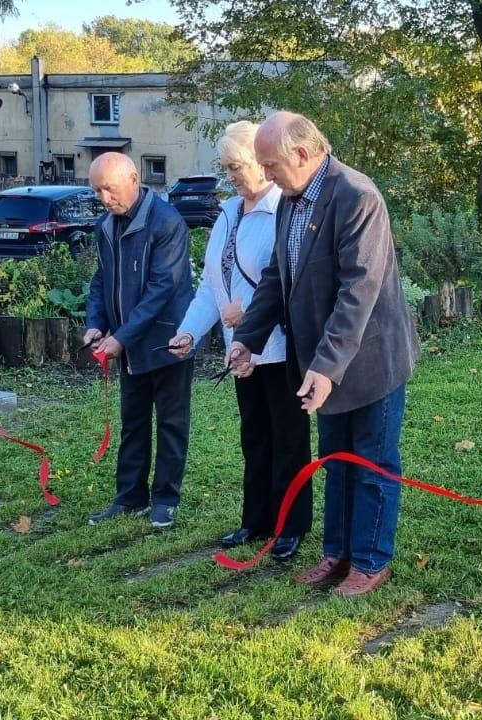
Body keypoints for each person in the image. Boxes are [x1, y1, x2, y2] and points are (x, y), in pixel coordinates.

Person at [227, 111, 420, 597]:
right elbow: (277, 276)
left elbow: (359, 291)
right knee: (335, 459)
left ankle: (371, 560)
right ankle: (337, 552)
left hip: (371, 359)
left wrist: (326, 366)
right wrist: (247, 338)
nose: (266, 174)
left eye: (271, 163)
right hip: (322, 362)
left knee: (373, 462)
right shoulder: (291, 200)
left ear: (302, 154)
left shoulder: (357, 196)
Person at [169, 120, 311, 561]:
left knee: (288, 440)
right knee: (255, 438)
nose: (229, 175)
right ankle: (256, 520)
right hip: (241, 352)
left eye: (236, 166)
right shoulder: (228, 213)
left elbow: (289, 286)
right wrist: (190, 330)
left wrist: (248, 317)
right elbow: (213, 285)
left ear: (261, 164)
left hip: (280, 348)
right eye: (226, 167)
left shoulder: (283, 212)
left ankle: (291, 526)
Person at [81, 153, 195, 529]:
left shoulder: (167, 222)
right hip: (127, 345)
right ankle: (129, 497)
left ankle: (165, 499)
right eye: (97, 189)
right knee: (133, 422)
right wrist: (97, 324)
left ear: (133, 178)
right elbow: (101, 280)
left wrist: (121, 337)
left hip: (167, 341)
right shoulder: (105, 225)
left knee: (171, 423)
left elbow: (163, 288)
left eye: (109, 188)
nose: (103, 197)